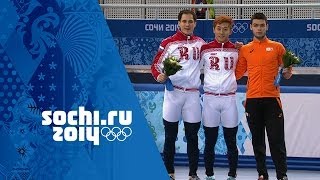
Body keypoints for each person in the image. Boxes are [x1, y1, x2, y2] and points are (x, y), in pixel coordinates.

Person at [235, 12, 292, 180]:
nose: (259, 28)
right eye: (256, 25)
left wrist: (288, 70)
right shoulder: (245, 49)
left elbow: (287, 73)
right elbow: (237, 74)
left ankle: (282, 175)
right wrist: (234, 50)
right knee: (258, 142)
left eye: (262, 25)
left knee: (276, 141)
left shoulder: (277, 47)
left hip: (272, 100)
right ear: (251, 27)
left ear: (267, 26)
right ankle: (262, 174)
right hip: (252, 101)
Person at [151, 9, 205, 180]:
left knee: (192, 136)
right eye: (184, 21)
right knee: (170, 136)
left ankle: (193, 174)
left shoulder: (201, 44)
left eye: (191, 21)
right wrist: (159, 76)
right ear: (178, 23)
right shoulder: (169, 43)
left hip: (192, 96)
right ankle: (169, 172)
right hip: (173, 94)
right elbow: (156, 65)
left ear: (195, 23)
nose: (187, 25)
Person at [200, 15, 239, 180]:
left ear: (230, 31)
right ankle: (209, 175)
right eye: (219, 28)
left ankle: (232, 175)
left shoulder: (238, 50)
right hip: (210, 99)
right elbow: (195, 69)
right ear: (213, 29)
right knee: (210, 141)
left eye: (225, 29)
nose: (222, 32)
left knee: (231, 141)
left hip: (229, 99)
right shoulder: (204, 49)